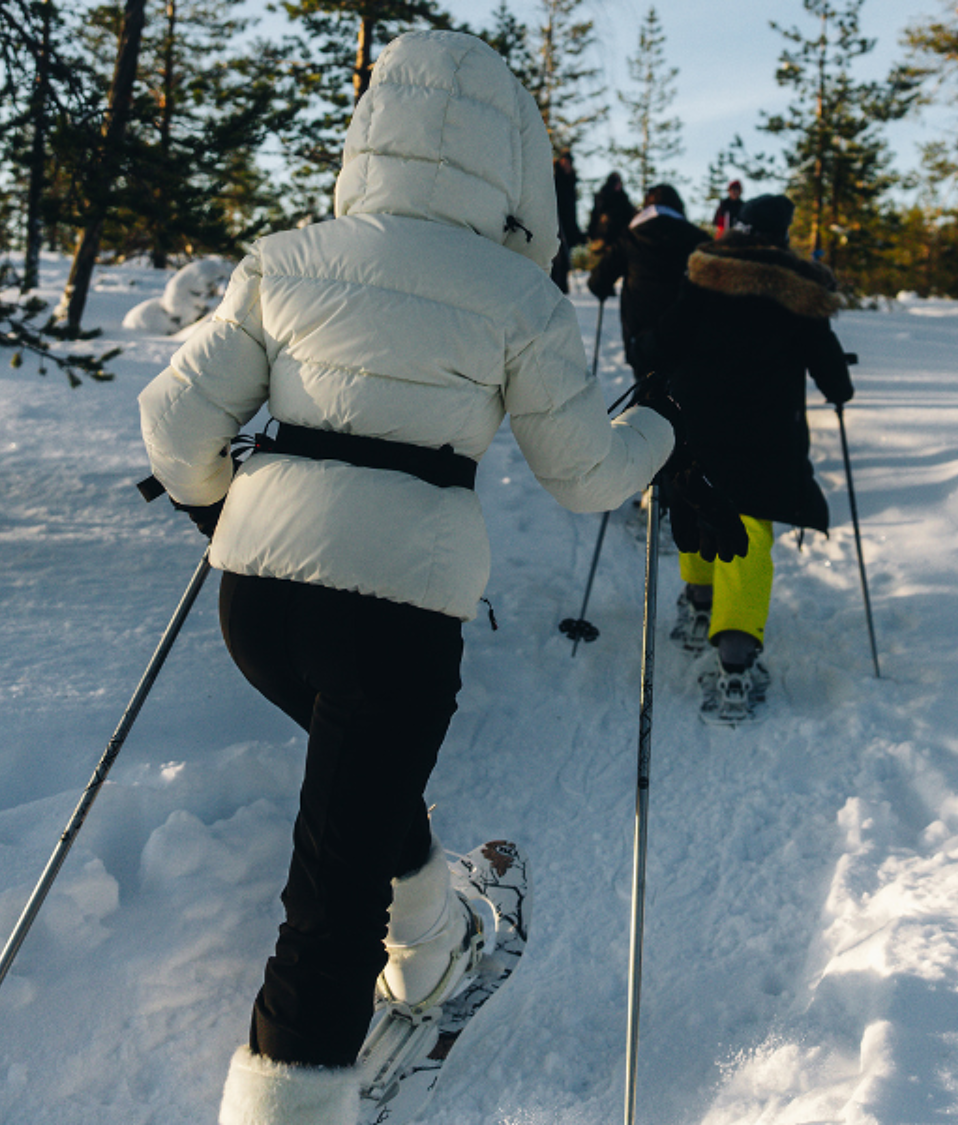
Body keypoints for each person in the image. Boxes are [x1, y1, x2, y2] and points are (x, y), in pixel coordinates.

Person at [137, 31, 682, 1125]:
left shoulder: (289, 257)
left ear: (370, 135)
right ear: (512, 164)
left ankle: (432, 937)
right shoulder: (516, 294)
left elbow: (172, 421)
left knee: (360, 796)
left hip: (258, 602)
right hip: (392, 612)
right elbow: (584, 475)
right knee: (329, 902)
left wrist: (221, 508)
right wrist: (661, 424)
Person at [643, 194, 854, 725]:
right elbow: (831, 372)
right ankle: (734, 664)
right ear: (783, 236)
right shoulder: (799, 291)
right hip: (767, 437)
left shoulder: (706, 274)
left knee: (696, 504)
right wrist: (838, 387)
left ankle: (698, 604)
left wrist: (648, 355)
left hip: (696, 424)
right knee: (748, 530)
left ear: (738, 228)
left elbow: (661, 344)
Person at [586, 183, 710, 375]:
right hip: (686, 337)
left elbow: (597, 281)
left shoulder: (630, 237)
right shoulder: (698, 239)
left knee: (646, 386)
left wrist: (603, 288)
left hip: (641, 339)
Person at [550, 150, 583, 292]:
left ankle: (562, 288)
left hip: (567, 224)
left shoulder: (571, 181)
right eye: (564, 162)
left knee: (564, 258)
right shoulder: (555, 179)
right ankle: (556, 287)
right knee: (557, 258)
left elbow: (572, 208)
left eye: (568, 162)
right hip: (556, 222)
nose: (566, 165)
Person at [584, 172, 634, 256]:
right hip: (605, 233)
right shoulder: (603, 197)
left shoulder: (623, 198)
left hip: (621, 233)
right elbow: (596, 215)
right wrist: (592, 234)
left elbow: (629, 213)